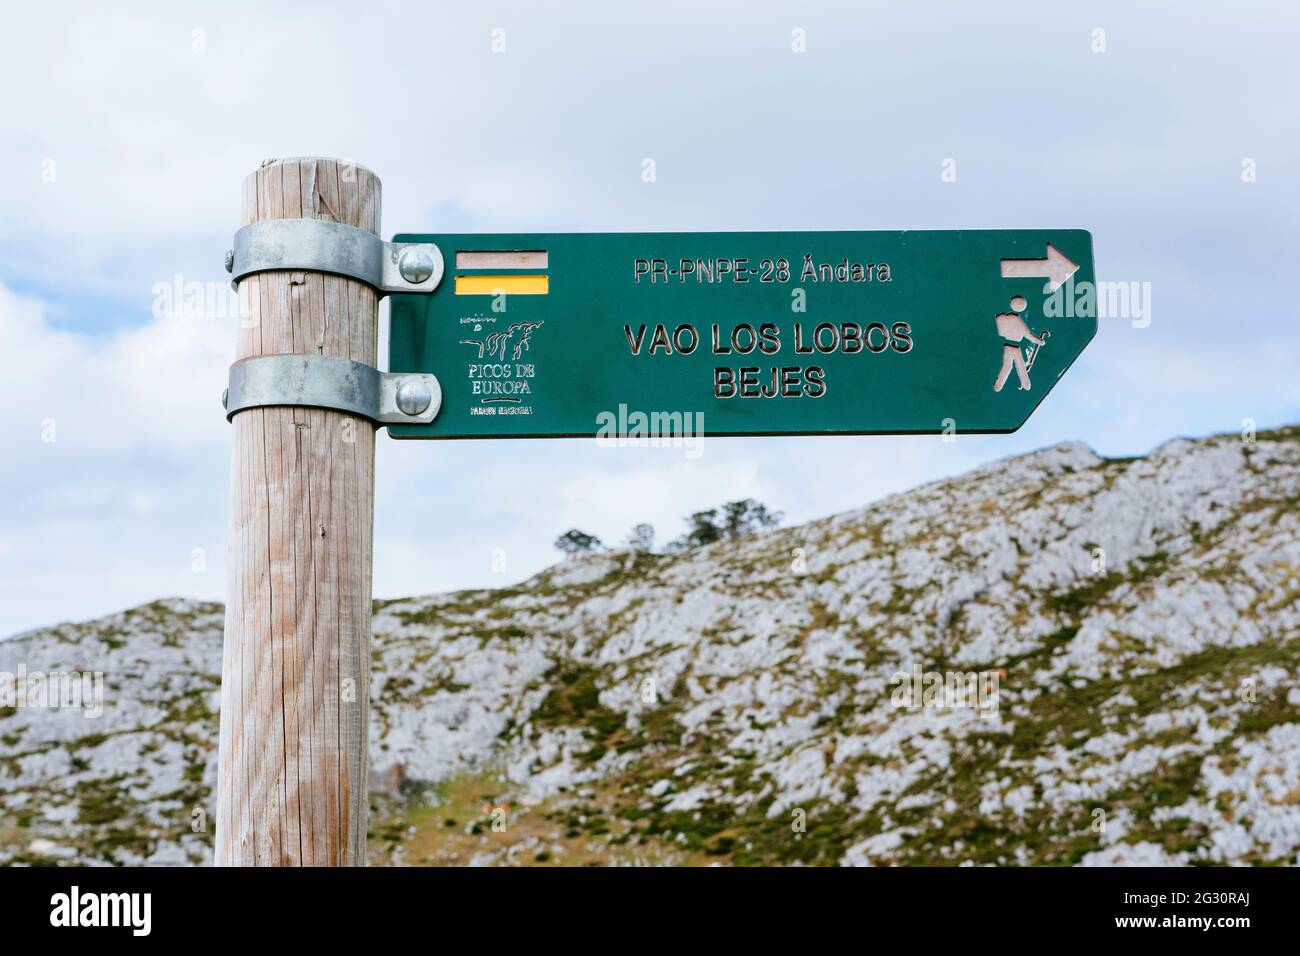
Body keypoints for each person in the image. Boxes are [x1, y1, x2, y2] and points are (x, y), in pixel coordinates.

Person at [993, 296, 1045, 392]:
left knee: (1008, 366)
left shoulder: (1000, 318)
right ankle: (1024, 383)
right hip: (1013, 347)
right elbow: (1028, 334)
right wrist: (1040, 342)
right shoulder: (1017, 320)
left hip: (1009, 347)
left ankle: (999, 385)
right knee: (1018, 365)